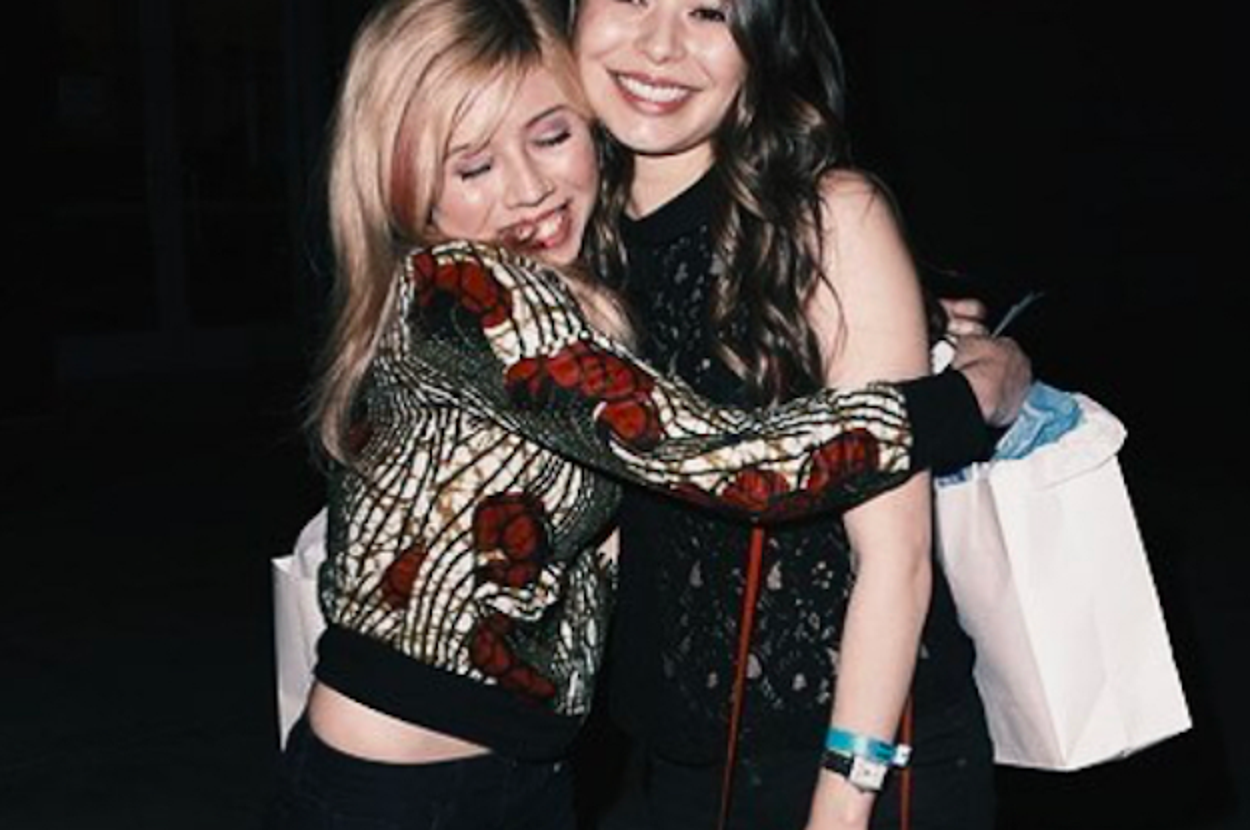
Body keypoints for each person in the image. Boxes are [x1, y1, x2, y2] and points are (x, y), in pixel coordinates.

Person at [270, 1, 1027, 828]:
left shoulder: (605, 252)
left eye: (707, 9)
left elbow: (893, 556)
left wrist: (911, 316)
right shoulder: (497, 278)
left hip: (789, 763)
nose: (527, 186)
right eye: (473, 165)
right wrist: (966, 397)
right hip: (451, 789)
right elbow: (729, 463)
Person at [568, 0, 1022, 828]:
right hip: (670, 762)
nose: (660, 45)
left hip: (856, 754)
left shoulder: (825, 219)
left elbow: (896, 559)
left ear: (762, 45)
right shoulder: (564, 235)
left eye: (709, 11)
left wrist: (841, 804)